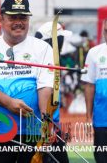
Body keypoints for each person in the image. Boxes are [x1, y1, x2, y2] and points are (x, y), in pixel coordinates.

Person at [0, 0, 54, 163]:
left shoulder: (42, 48)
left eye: (23, 17)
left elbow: (45, 87)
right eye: (13, 17)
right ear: (1, 19)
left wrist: (45, 123)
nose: (19, 22)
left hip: (32, 131)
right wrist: (8, 102)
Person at [35, 22, 70, 163]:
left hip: (52, 127)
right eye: (60, 38)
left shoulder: (52, 60)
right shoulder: (45, 62)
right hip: (45, 129)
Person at [81, 18, 107, 163]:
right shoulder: (94, 53)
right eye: (106, 31)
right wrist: (87, 118)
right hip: (102, 121)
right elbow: (89, 86)